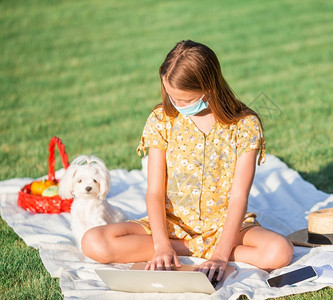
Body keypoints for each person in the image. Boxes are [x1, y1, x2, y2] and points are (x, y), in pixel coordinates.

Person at [82, 40, 293, 282]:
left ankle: (196, 249)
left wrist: (222, 256)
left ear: (209, 88)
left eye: (184, 100)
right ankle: (183, 248)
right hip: (171, 226)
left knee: (281, 251)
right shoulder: (161, 120)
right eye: (172, 98)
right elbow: (154, 192)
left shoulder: (245, 126)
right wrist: (162, 246)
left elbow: (238, 197)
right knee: (93, 241)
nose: (177, 105)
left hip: (223, 228)